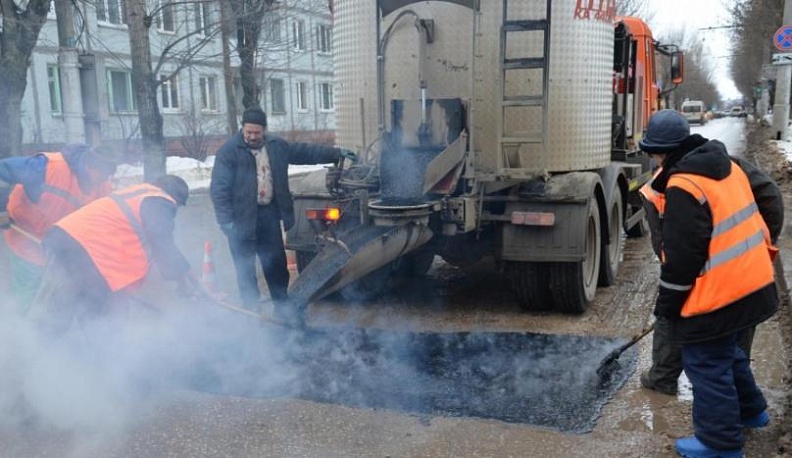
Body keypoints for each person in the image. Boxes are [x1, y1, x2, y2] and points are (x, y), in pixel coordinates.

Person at [640, 109, 776, 457]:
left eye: (653, 153)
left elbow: (683, 259)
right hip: (754, 284)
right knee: (729, 355)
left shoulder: (683, 185)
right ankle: (752, 411)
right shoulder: (727, 166)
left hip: (721, 293)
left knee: (704, 362)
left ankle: (720, 442)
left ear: (661, 152)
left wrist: (668, 306)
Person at [639, 150, 783, 396]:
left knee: (675, 314)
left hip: (718, 264)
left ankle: (668, 377)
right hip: (733, 265)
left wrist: (758, 242)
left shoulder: (668, 184)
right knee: (737, 322)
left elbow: (663, 248)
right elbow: (771, 197)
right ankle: (735, 390)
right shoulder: (729, 165)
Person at [209, 106, 357, 323]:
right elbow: (218, 189)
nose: (251, 136)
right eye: (248, 132)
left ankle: (283, 310)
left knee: (276, 264)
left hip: (268, 215)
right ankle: (251, 315)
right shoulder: (229, 152)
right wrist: (226, 221)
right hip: (241, 221)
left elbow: (305, 152)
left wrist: (336, 153)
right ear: (243, 129)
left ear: (264, 130)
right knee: (245, 268)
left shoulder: (276, 146)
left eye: (256, 132)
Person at [29, 175, 199, 337]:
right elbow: (162, 243)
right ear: (175, 199)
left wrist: (185, 278)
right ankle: (26, 357)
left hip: (77, 248)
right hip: (78, 250)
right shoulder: (159, 200)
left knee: (91, 316)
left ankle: (96, 361)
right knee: (56, 315)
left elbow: (152, 249)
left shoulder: (138, 193)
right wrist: (184, 281)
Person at [0, 144, 119, 313]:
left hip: (58, 247)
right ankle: (24, 331)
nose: (104, 180)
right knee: (29, 288)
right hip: (26, 239)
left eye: (108, 175)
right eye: (103, 174)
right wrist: (1, 208)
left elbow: (103, 223)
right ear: (89, 166)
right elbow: (2, 172)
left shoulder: (102, 187)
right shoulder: (46, 167)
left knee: (55, 293)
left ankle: (44, 327)